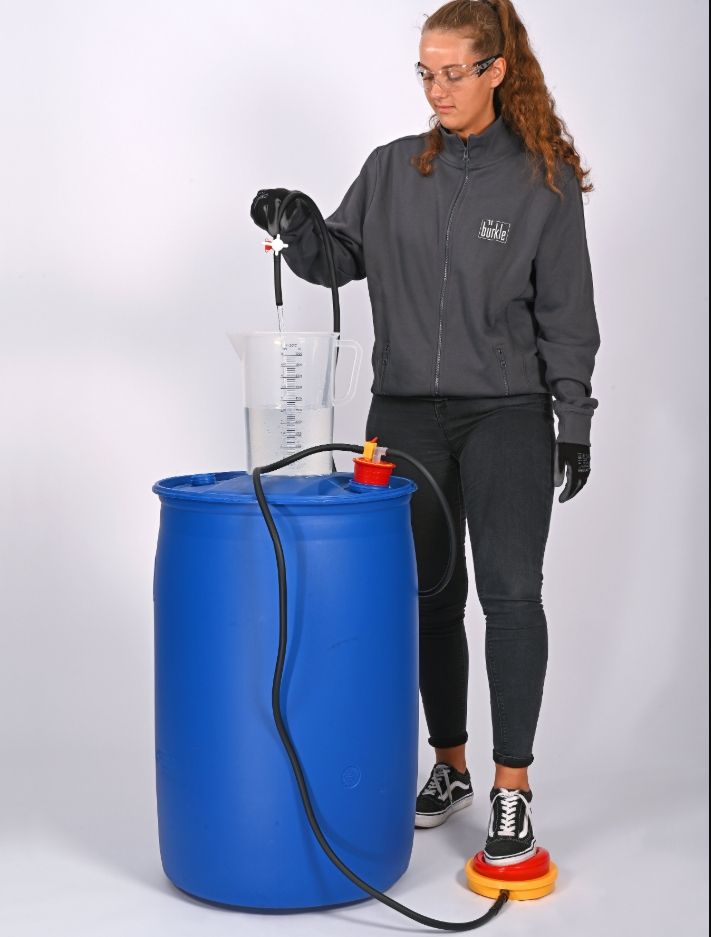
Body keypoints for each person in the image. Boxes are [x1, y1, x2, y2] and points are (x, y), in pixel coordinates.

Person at [250, 0, 600, 867]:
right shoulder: (390, 168)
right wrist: (297, 221)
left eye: (452, 73)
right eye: (424, 73)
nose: (436, 90)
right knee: (429, 595)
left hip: (507, 413)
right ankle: (450, 765)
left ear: (495, 71)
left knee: (509, 595)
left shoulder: (542, 180)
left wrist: (572, 416)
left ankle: (512, 788)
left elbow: (566, 310)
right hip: (403, 414)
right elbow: (337, 258)